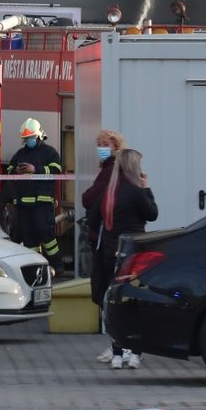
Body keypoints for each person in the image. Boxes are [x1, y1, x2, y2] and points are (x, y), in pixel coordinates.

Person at [86, 147, 158, 370]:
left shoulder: (107, 193)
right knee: (134, 303)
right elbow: (152, 214)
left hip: (109, 252)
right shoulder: (136, 192)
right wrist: (147, 189)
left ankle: (117, 352)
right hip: (134, 252)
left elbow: (92, 219)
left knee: (114, 302)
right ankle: (134, 353)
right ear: (134, 168)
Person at [81, 127, 127, 363]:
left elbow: (90, 197)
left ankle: (120, 345)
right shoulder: (111, 170)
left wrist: (89, 200)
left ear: (115, 147)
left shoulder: (111, 170)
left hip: (106, 239)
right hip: (105, 237)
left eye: (105, 143)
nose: (101, 147)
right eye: (98, 142)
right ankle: (119, 345)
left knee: (107, 290)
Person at [0, 117, 62, 274]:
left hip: (43, 203)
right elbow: (9, 170)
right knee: (28, 238)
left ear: (39, 135)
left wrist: (36, 169)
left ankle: (57, 267)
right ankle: (36, 269)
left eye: (31, 137)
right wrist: (16, 171)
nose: (29, 141)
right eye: (26, 139)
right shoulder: (21, 154)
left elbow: (56, 169)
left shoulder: (49, 152)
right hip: (24, 205)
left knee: (47, 236)